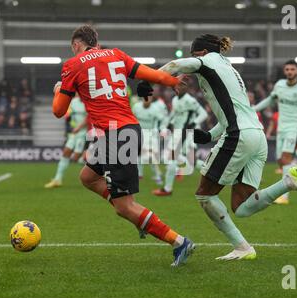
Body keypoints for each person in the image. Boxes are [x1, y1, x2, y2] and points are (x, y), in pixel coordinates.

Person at [138, 34, 297, 260]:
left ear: (201, 52)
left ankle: (242, 247)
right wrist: (208, 135)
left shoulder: (207, 61)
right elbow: (230, 113)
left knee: (205, 195)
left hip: (239, 135)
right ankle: (288, 182)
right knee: (241, 207)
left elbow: (177, 64)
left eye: (194, 54)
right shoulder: (230, 70)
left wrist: (148, 80)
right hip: (257, 135)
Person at [52, 25, 195, 267]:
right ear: (96, 42)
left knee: (124, 207)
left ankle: (179, 241)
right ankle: (140, 219)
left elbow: (58, 111)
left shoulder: (73, 64)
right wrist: (173, 81)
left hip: (115, 136)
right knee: (87, 177)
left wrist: (58, 90)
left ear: (77, 44)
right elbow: (149, 74)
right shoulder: (116, 55)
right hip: (124, 130)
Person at [254, 60, 297, 204]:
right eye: (287, 69)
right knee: (281, 162)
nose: (290, 71)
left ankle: (284, 197)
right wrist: (252, 109)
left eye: (292, 69)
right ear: (285, 72)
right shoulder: (279, 85)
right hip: (281, 128)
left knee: (285, 160)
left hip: (294, 128)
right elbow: (269, 101)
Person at [153, 84, 208, 196]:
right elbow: (174, 116)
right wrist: (167, 126)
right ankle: (214, 173)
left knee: (174, 157)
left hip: (187, 133)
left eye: (182, 86)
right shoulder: (175, 100)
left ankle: (168, 189)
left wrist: (194, 123)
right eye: (176, 86)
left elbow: (204, 114)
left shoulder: (190, 100)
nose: (178, 88)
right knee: (191, 161)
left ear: (186, 88)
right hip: (178, 133)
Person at [45, 94, 88, 188]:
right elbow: (67, 114)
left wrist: (79, 127)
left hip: (83, 133)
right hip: (73, 133)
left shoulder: (88, 102)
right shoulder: (73, 102)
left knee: (76, 158)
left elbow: (89, 118)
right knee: (66, 152)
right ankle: (58, 179)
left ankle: (100, 171)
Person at [131, 97, 164, 185]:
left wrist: (161, 130)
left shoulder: (155, 109)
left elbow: (162, 120)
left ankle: (158, 176)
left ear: (151, 100)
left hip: (151, 134)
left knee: (151, 156)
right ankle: (139, 174)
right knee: (138, 154)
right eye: (145, 99)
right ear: (142, 99)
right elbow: (132, 117)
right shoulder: (136, 107)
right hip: (139, 132)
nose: (147, 101)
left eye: (149, 99)